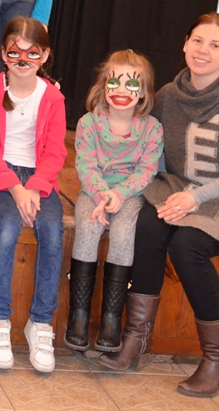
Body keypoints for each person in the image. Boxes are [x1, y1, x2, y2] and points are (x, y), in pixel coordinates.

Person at [98, 13, 219, 399]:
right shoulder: (169, 95)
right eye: (198, 41)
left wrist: (195, 198)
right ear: (185, 43)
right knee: (147, 226)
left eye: (216, 45)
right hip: (184, 188)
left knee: (188, 246)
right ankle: (136, 341)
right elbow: (150, 149)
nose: (204, 50)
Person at [0, 16, 66, 373]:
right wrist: (16, 189)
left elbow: (56, 151)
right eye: (15, 52)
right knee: (7, 226)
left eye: (32, 53)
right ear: (3, 54)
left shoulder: (52, 97)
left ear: (45, 56)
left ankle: (41, 322)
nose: (23, 60)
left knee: (52, 230)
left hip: (38, 176)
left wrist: (35, 186)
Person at [65, 50, 163, 353]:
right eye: (114, 82)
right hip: (94, 193)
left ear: (143, 92)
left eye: (131, 84)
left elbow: (147, 171)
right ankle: (78, 316)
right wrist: (103, 195)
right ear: (103, 85)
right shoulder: (88, 123)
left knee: (123, 233)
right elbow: (86, 167)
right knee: (88, 226)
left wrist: (119, 195)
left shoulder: (152, 128)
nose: (121, 90)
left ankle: (111, 318)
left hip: (130, 196)